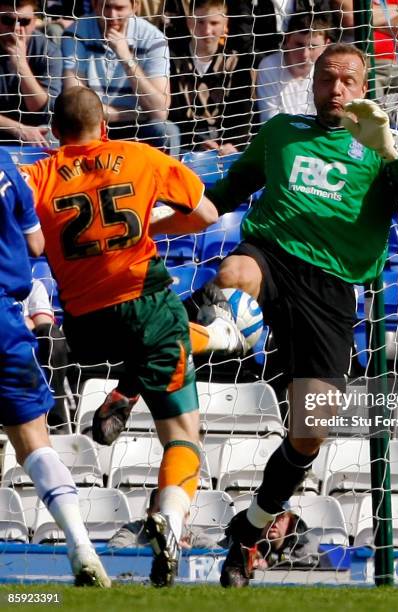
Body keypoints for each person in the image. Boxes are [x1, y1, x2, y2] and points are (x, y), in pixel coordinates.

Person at [199, 42, 398, 587]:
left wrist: (392, 151)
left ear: (365, 88)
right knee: (233, 275)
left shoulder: (385, 145)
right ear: (311, 85)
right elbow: (224, 193)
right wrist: (168, 209)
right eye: (325, 79)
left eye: (347, 80)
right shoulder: (281, 132)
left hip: (332, 292)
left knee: (312, 430)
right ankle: (207, 339)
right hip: (271, 256)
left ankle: (252, 528)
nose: (335, 89)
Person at [21, 85, 244, 587]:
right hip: (145, 301)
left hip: (84, 324)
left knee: (161, 345)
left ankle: (127, 388)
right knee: (184, 432)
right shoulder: (139, 156)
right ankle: (170, 516)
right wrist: (152, 228)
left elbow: (29, 237)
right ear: (105, 128)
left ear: (55, 133)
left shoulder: (36, 174)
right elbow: (209, 215)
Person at [0, 147, 110, 587]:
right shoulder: (5, 163)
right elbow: (36, 243)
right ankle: (80, 544)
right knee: (35, 445)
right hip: (5, 323)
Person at [61, 0, 173, 150]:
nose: (112, 15)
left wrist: (126, 58)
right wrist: (135, 114)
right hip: (90, 127)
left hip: (138, 127)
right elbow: (76, 105)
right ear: (95, 5)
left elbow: (160, 111)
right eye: (106, 7)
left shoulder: (154, 39)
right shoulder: (75, 33)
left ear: (135, 7)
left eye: (119, 8)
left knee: (166, 131)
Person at [168, 0, 254, 154]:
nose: (207, 30)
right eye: (200, 22)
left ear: (225, 24)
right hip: (184, 141)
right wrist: (198, 141)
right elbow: (173, 112)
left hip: (225, 144)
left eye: (214, 23)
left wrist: (233, 143)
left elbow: (242, 111)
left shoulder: (235, 62)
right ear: (189, 23)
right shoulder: (173, 60)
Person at [0, 0, 62, 145]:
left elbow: (44, 111)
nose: (16, 29)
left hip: (35, 130)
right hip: (11, 128)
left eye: (24, 21)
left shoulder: (47, 51)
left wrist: (21, 65)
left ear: (35, 22)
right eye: (7, 20)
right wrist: (18, 129)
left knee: (51, 137)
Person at [255, 13, 331, 124]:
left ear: (326, 45)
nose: (304, 54)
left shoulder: (329, 69)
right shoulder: (270, 66)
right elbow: (269, 121)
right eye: (299, 45)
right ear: (287, 39)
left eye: (313, 47)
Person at [22, 279, 71, 430]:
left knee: (52, 334)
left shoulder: (32, 285)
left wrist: (9, 325)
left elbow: (45, 323)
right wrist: (25, 321)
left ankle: (55, 415)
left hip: (28, 349)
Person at [220, 510, 321, 570]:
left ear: (291, 521)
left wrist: (270, 562)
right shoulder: (239, 537)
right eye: (268, 515)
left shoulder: (306, 542)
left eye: (280, 516)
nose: (273, 521)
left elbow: (308, 565)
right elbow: (215, 553)